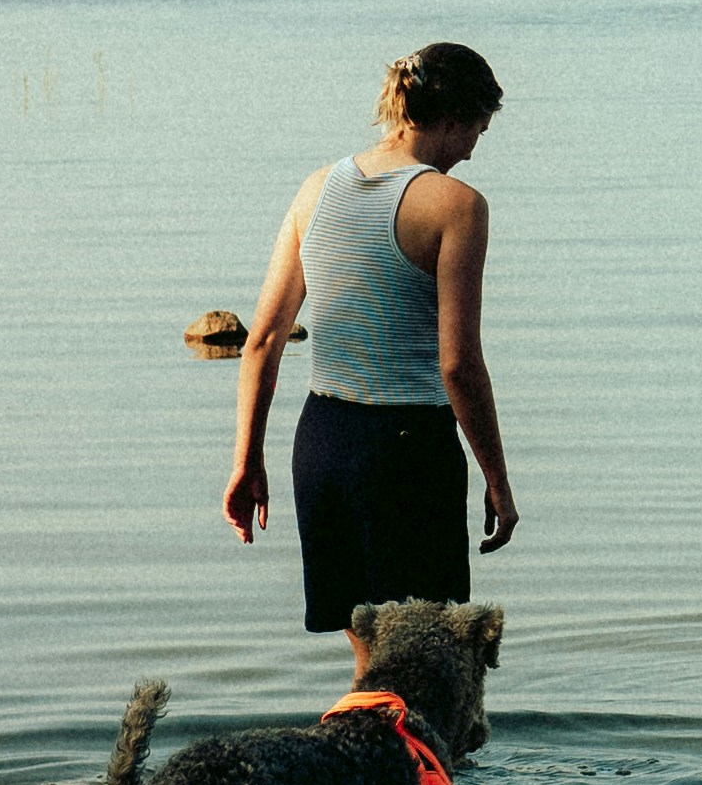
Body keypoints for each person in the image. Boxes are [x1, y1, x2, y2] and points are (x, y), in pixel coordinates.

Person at [220, 42, 518, 644]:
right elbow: (458, 365)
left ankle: (354, 742)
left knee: (369, 656)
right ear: (456, 120)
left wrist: (246, 461)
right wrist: (498, 479)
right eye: (478, 132)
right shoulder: (457, 206)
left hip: (324, 444)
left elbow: (262, 342)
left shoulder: (316, 189)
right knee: (429, 658)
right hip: (405, 450)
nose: (471, 150)